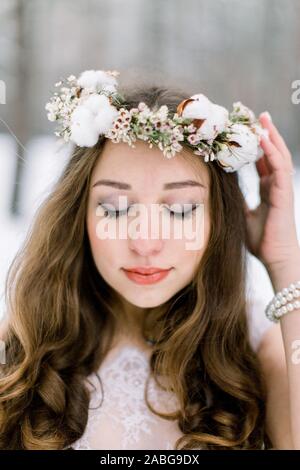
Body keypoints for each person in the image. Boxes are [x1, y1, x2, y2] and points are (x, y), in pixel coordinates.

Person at [0, 71, 299, 450]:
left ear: (217, 222)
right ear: (80, 216)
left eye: (179, 211)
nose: (145, 243)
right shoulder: (22, 349)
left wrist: (285, 260)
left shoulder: (261, 348)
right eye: (115, 208)